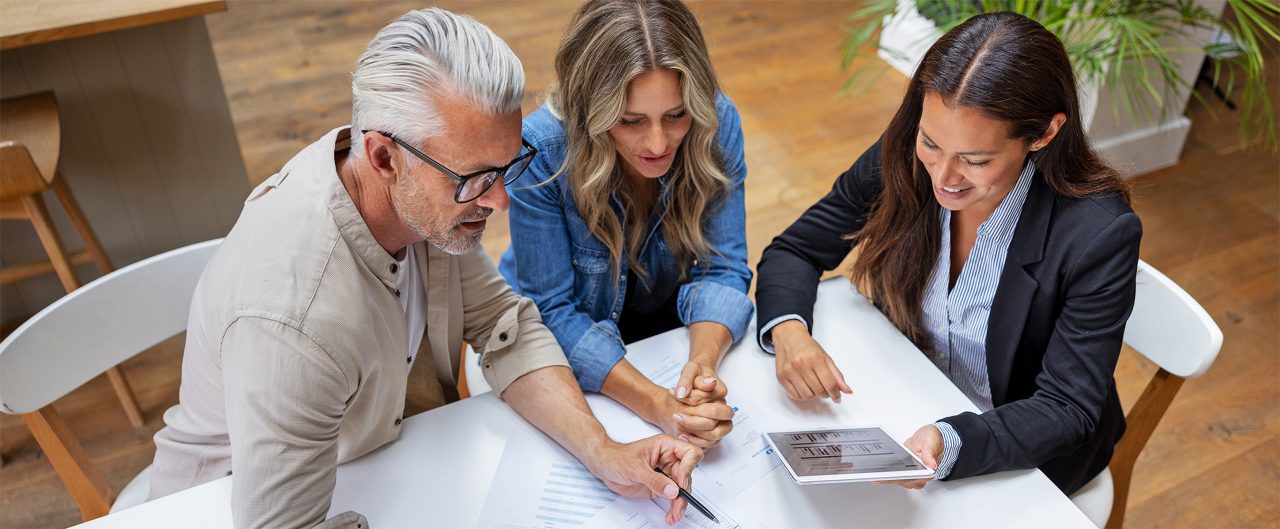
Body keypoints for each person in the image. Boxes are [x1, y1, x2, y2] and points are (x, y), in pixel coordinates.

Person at [147, 9, 702, 528]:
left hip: (384, 461)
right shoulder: (297, 320)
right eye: (477, 177)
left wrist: (603, 452)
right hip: (219, 504)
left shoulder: (423, 193)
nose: (501, 201)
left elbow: (507, 329)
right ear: (384, 157)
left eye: (508, 167)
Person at [755, 11, 1141, 495]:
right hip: (911, 394)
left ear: (1044, 133)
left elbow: (1067, 407)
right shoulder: (905, 154)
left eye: (976, 160)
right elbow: (796, 248)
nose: (943, 178)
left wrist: (950, 439)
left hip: (1023, 452)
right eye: (931, 143)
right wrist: (790, 331)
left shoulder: (1097, 234)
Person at [498, 0, 751, 450]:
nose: (657, 143)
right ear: (588, 111)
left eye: (676, 115)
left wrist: (703, 369)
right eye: (630, 121)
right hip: (573, 339)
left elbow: (724, 268)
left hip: (662, 334)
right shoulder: (541, 151)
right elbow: (550, 312)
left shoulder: (717, 121)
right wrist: (657, 403)